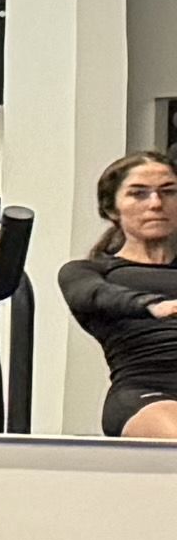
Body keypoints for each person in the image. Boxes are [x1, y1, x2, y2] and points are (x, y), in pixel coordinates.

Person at [65, 150, 177, 444]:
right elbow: (91, 296)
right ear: (112, 209)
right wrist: (153, 305)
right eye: (139, 194)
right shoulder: (92, 272)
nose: (156, 204)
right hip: (148, 395)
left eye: (168, 192)